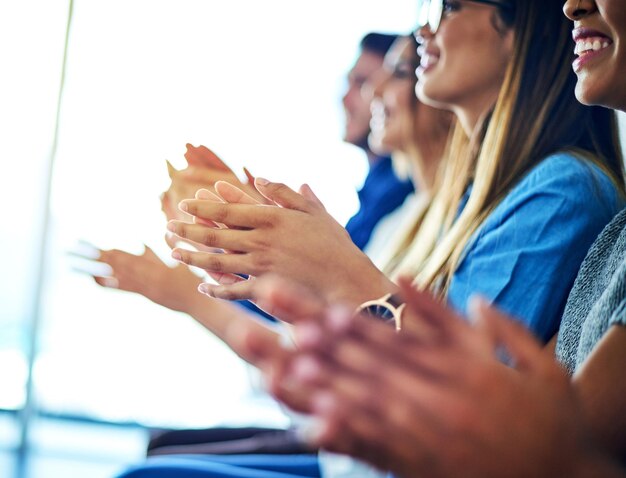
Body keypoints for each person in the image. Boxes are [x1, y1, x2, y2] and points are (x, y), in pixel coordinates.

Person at [168, 0, 625, 346]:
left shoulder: (564, 189)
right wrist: (296, 280)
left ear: (518, 30)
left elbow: (458, 396)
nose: (425, 26)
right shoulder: (477, 200)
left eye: (448, 6)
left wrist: (335, 274)